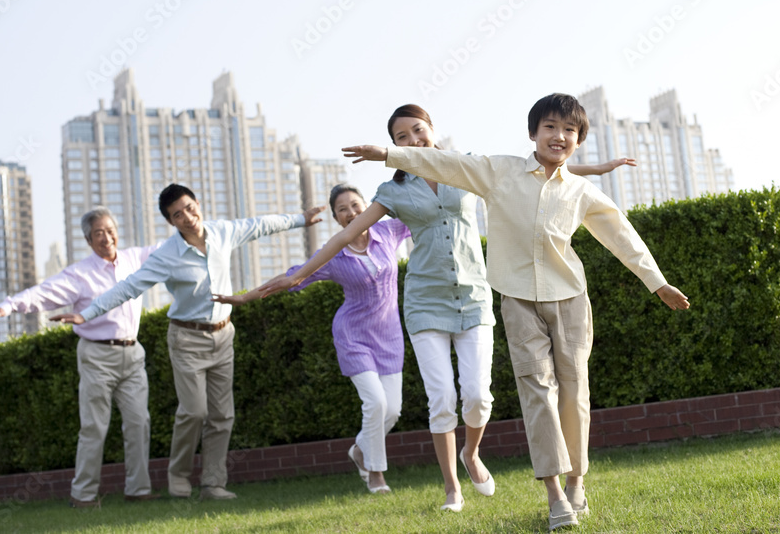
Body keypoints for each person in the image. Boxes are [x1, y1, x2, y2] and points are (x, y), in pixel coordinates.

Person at [259, 104, 634, 512]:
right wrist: (299, 275)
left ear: (432, 130)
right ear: (395, 146)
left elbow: (529, 175)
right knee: (441, 400)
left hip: (473, 296)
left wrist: (594, 170)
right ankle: (452, 489)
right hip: (425, 303)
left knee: (477, 397)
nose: (413, 141)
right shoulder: (393, 192)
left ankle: (471, 454)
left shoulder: (465, 169)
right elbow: (348, 233)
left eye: (418, 131)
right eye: (402, 138)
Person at [342, 94, 690, 531]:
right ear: (533, 133)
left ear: (578, 140)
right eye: (549, 127)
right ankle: (555, 494)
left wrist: (656, 282)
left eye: (569, 130)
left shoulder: (581, 191)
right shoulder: (499, 171)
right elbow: (445, 165)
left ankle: (578, 480)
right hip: (518, 301)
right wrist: (387, 154)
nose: (558, 136)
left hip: (570, 301)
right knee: (537, 392)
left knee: (574, 391)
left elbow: (621, 235)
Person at [52, 184, 325, 501]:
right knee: (194, 411)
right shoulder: (166, 255)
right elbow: (128, 287)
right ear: (171, 222)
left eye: (189, 208)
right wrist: (87, 314)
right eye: (177, 215)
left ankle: (212, 484)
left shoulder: (222, 232)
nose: (187, 217)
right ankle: (178, 479)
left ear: (198, 204)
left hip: (223, 335)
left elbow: (259, 225)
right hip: (186, 339)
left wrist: (300, 219)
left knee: (223, 415)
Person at [214, 184, 410, 494]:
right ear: (335, 218)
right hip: (353, 336)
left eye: (356, 205)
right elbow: (292, 276)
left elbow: (425, 213)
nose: (351, 213)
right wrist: (245, 298)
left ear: (367, 206)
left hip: (389, 335)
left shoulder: (388, 231)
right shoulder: (333, 255)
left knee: (392, 410)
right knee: (375, 403)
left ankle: (360, 450)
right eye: (342, 209)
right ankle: (376, 475)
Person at [0, 207, 161, 508]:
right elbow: (43, 293)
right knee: (94, 427)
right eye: (98, 233)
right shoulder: (80, 274)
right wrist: (8, 306)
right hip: (97, 356)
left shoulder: (134, 259)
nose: (106, 237)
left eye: (109, 229)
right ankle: (83, 496)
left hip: (133, 354)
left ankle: (138, 489)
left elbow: (168, 249)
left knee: (139, 422)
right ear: (89, 240)